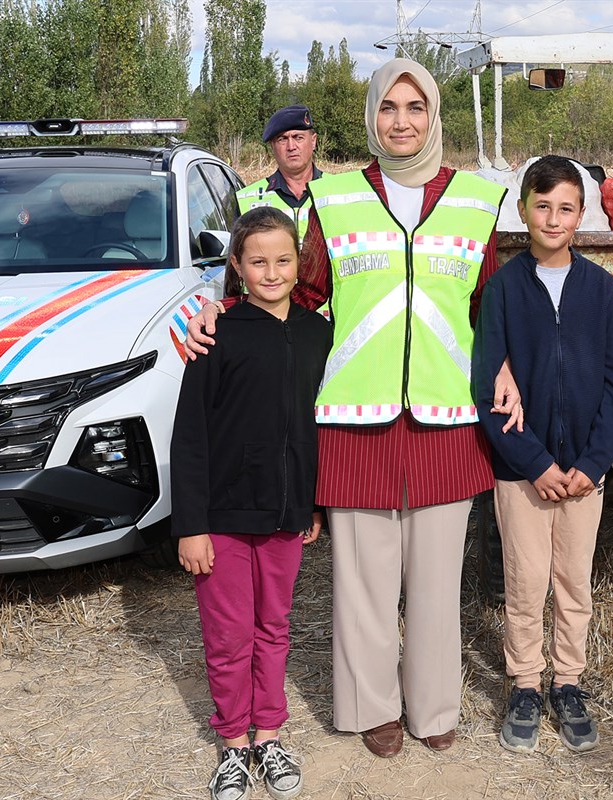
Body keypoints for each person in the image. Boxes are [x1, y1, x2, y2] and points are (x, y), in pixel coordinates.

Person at [186, 58, 522, 757]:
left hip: (447, 419)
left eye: (415, 107)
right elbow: (294, 299)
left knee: (435, 581)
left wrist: (510, 365)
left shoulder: (479, 200)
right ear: (371, 117)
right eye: (388, 107)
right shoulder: (333, 201)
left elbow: (493, 305)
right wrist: (219, 307)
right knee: (364, 582)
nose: (401, 121)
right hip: (353, 421)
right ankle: (372, 705)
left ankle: (433, 708)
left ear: (433, 115)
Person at [170, 206, 332, 800]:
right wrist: (191, 524)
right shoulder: (216, 333)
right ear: (235, 266)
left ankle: (269, 734)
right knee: (229, 633)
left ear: (299, 264)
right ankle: (233, 743)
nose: (271, 271)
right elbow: (189, 435)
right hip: (222, 517)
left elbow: (314, 427)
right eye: (257, 261)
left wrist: (313, 505)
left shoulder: (318, 332)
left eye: (283, 260)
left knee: (274, 626)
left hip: (288, 514)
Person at [474, 155, 613, 755]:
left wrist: (592, 465)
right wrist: (535, 463)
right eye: (542, 206)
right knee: (525, 581)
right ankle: (524, 684)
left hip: (584, 476)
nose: (553, 217)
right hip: (523, 473)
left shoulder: (601, 289)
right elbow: (488, 384)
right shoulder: (505, 290)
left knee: (573, 581)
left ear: (581, 214)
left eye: (565, 208)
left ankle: (568, 681)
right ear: (522, 211)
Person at [236, 105, 322, 241]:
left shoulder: (336, 192)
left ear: (313, 141)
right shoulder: (246, 200)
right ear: (272, 147)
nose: (291, 147)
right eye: (282, 139)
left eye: (298, 137)